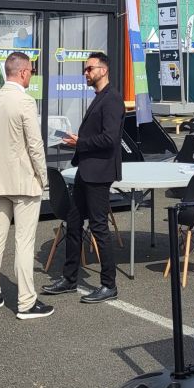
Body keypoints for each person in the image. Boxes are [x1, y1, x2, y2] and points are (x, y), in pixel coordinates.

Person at [42, 51, 123, 304]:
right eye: (85, 70)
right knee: (73, 223)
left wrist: (81, 142)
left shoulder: (112, 99)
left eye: (89, 69)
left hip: (99, 173)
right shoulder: (100, 97)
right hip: (86, 170)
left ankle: (109, 284)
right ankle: (69, 279)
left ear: (103, 70)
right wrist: (79, 143)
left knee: (99, 227)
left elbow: (110, 139)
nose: (86, 73)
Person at [0, 52, 54, 319]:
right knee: (24, 241)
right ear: (23, 72)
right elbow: (35, 145)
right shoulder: (24, 102)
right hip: (24, 180)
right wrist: (43, 177)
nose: (31, 76)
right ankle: (26, 302)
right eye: (31, 72)